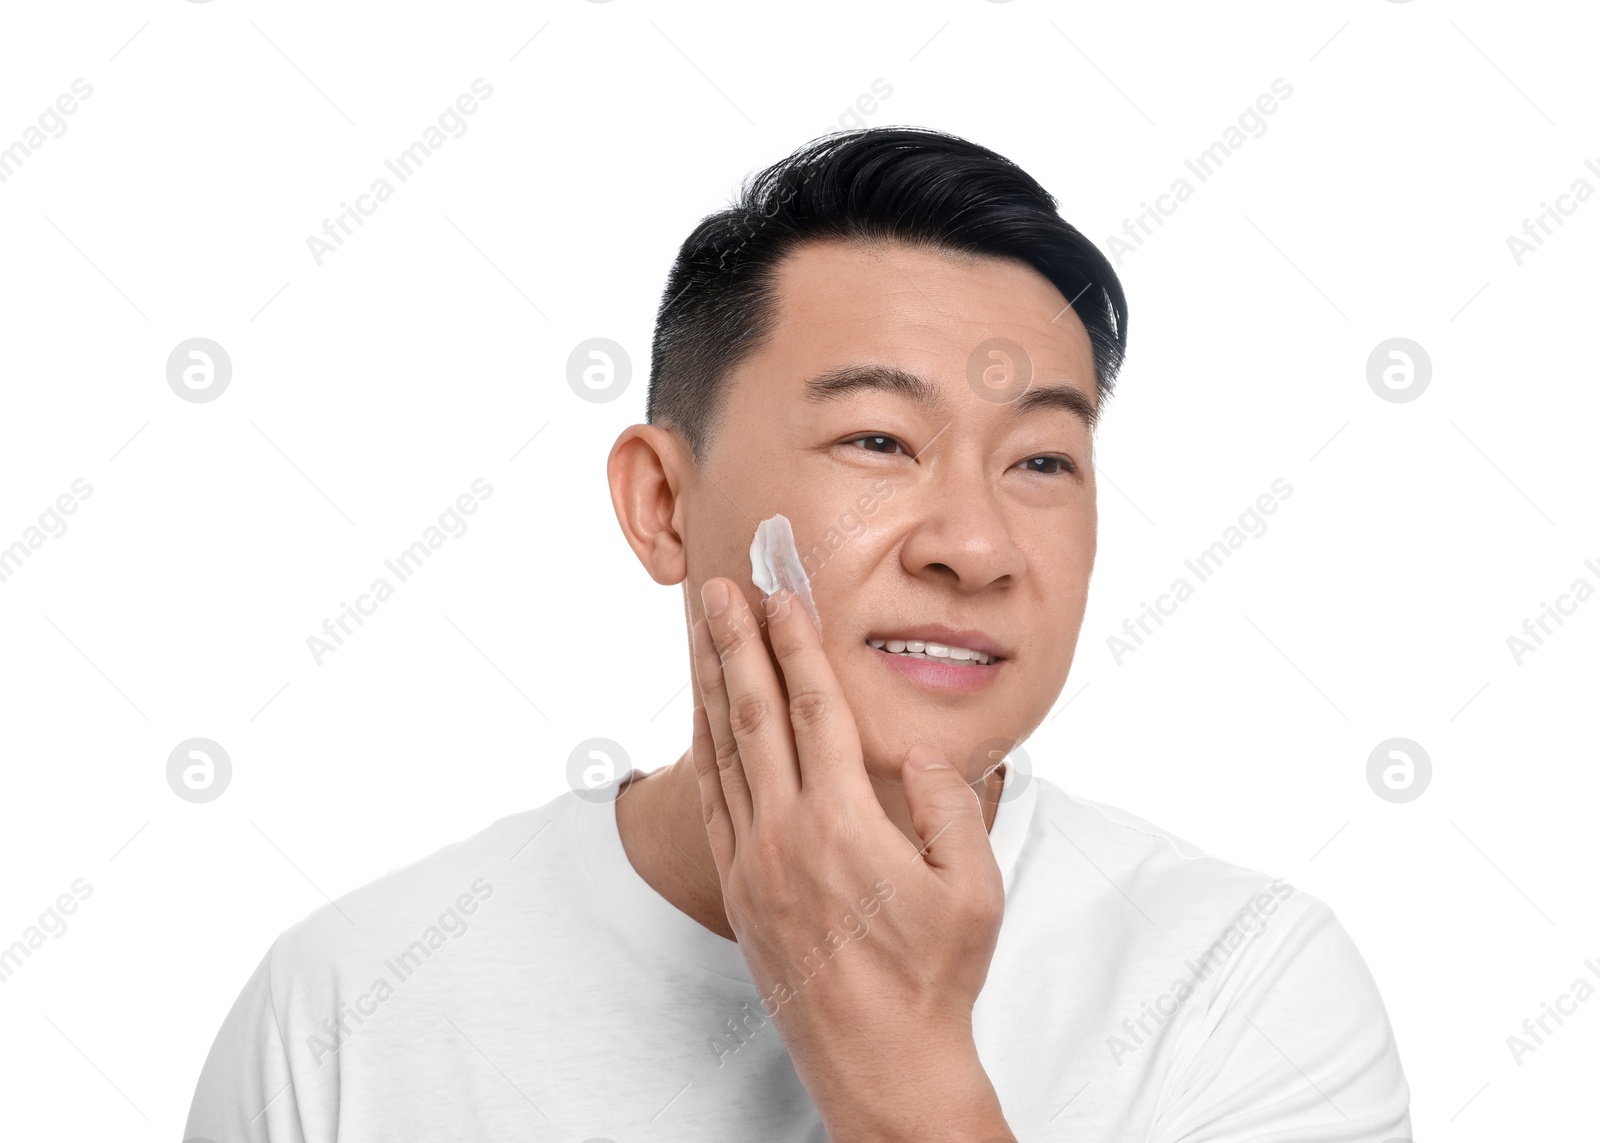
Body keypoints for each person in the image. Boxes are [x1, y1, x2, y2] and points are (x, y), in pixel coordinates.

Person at [186, 126, 1410, 1142]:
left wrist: (897, 1061)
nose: (973, 547)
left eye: (1042, 459)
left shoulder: (1240, 988)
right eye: (878, 441)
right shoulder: (349, 1006)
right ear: (663, 504)